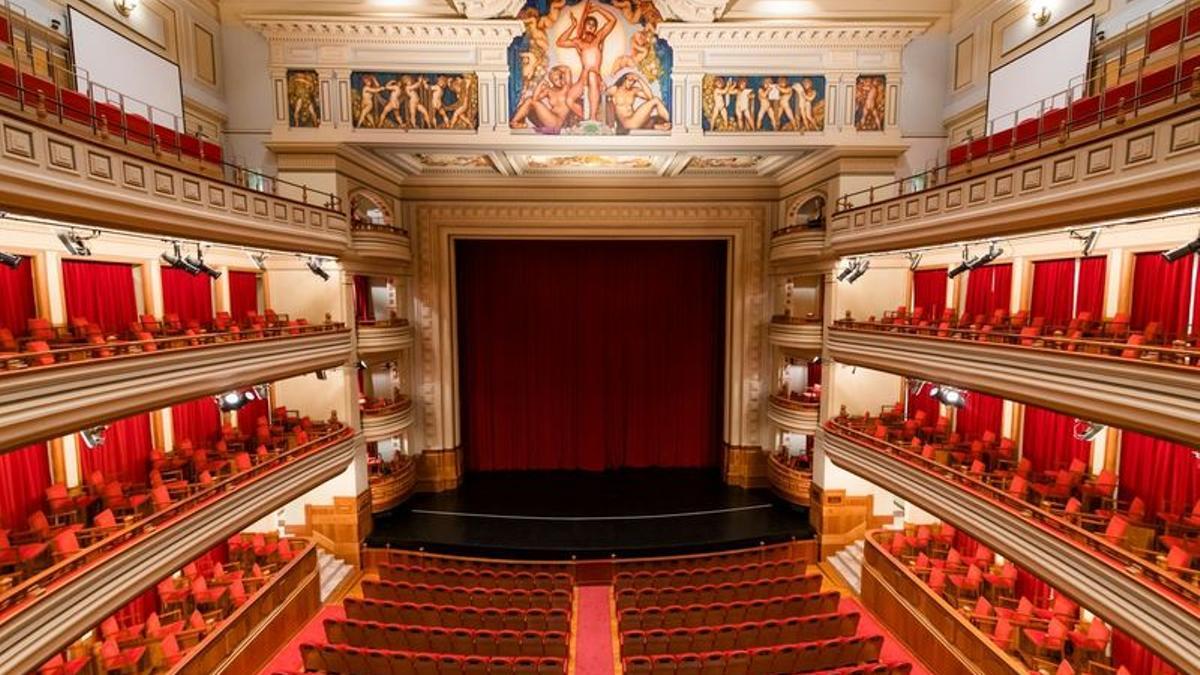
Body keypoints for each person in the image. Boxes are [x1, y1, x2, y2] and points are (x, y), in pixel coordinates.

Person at [557, 0, 618, 122]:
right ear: (584, 26)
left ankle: (593, 118)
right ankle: (586, 118)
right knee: (569, 99)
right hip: (583, 77)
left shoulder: (598, 38)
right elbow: (560, 42)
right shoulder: (578, 42)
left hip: (595, 75)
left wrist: (597, 9)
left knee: (591, 74)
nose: (591, 25)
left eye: (593, 25)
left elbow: (612, 20)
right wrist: (573, 26)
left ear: (595, 29)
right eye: (588, 23)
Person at [511, 65, 573, 132]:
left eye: (560, 77)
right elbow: (534, 98)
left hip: (557, 122)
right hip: (549, 119)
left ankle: (514, 122)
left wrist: (554, 69)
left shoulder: (567, 87)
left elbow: (567, 69)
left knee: (530, 101)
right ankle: (514, 122)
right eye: (556, 80)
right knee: (529, 100)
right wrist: (540, 84)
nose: (559, 81)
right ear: (552, 82)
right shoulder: (549, 90)